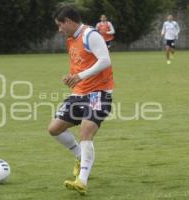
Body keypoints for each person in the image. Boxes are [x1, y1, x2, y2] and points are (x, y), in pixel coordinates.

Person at [49, 6, 114, 195]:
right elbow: (81, 63)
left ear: (69, 21)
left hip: (98, 93)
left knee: (85, 130)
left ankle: (82, 181)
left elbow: (105, 60)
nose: (59, 29)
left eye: (60, 25)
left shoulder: (90, 35)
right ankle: (80, 155)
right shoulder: (71, 38)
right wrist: (72, 77)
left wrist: (79, 76)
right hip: (79, 94)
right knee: (54, 129)